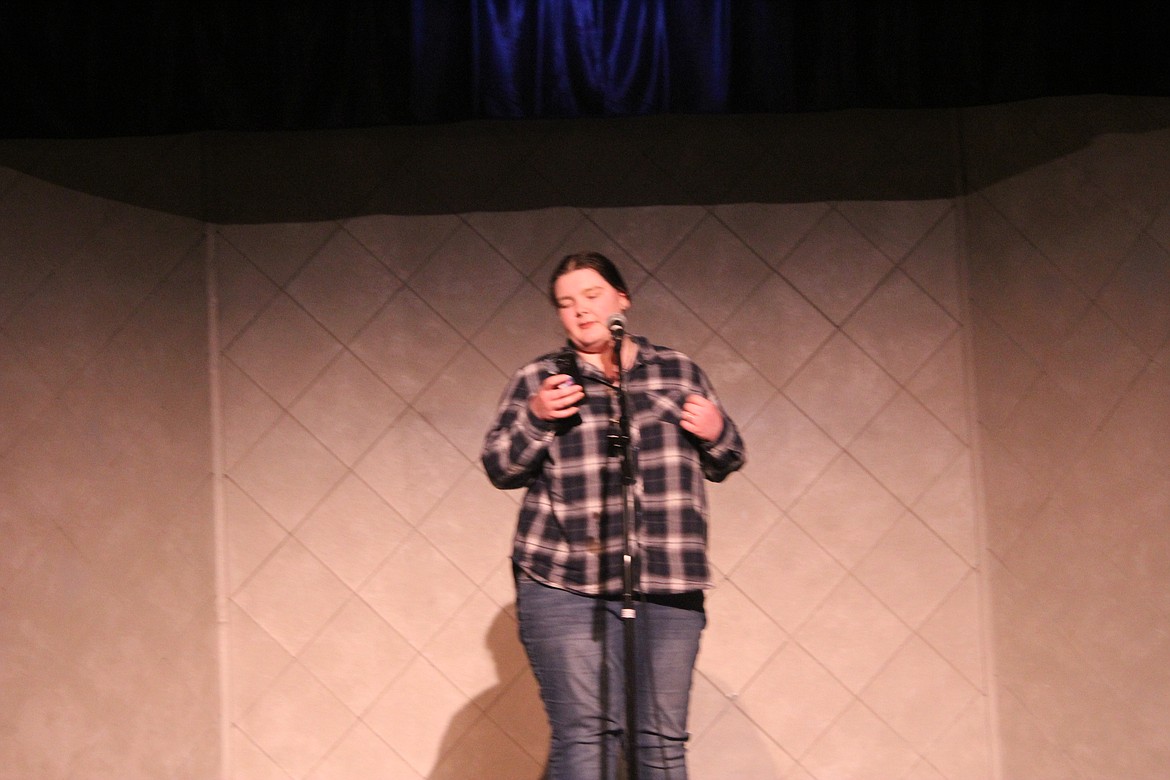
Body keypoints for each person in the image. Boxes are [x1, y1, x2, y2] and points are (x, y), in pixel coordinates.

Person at [481, 251, 746, 779]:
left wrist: (719, 432)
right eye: (566, 303)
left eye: (592, 295)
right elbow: (500, 466)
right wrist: (536, 417)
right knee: (586, 738)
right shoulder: (540, 378)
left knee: (661, 742)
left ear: (622, 298)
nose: (580, 310)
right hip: (562, 581)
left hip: (668, 579)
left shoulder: (678, 371)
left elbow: (727, 458)